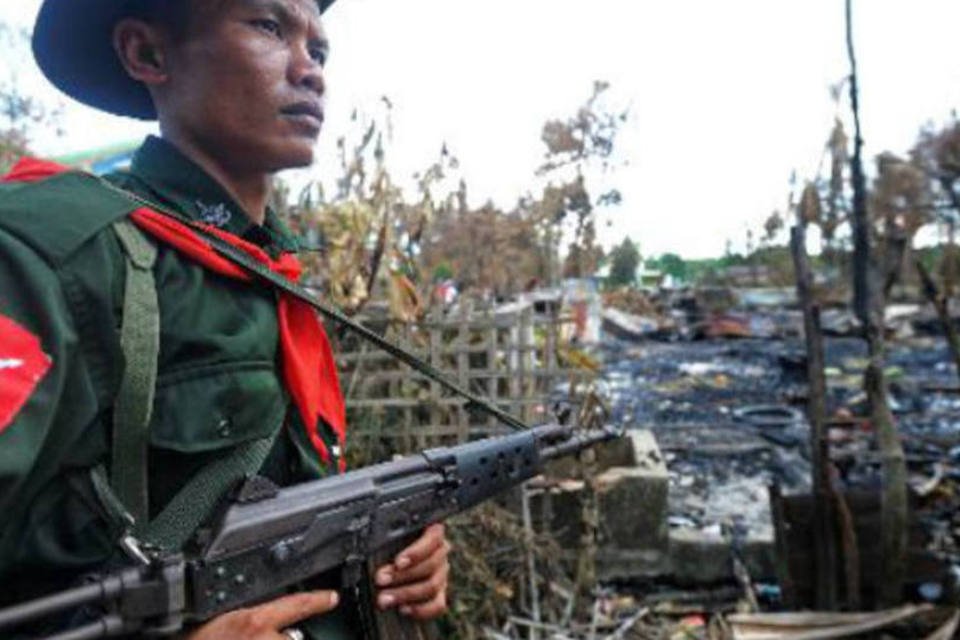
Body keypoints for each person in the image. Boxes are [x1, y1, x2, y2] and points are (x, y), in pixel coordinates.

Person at [0, 0, 450, 638]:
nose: (311, 70)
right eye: (270, 27)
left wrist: (389, 563)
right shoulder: (53, 254)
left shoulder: (267, 272)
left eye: (319, 50)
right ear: (147, 53)